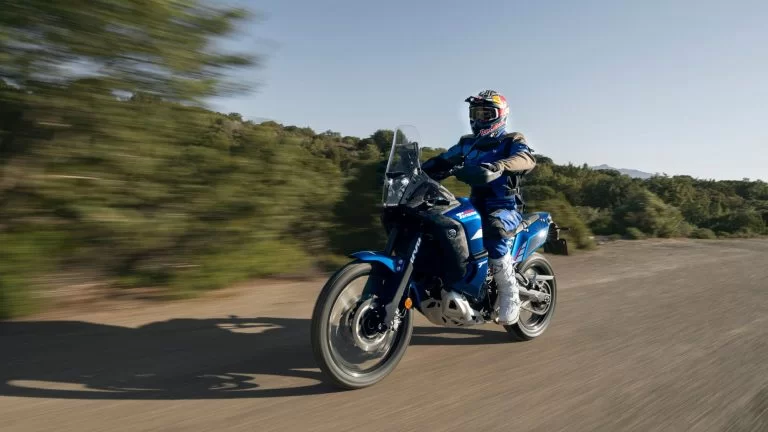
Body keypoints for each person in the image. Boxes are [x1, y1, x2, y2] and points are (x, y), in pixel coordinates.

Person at [421, 90, 536, 325]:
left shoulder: (511, 141)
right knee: (441, 223)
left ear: (500, 116)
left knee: (493, 227)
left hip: (505, 207)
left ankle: (508, 292)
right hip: (474, 203)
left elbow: (527, 159)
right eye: (476, 113)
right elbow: (442, 160)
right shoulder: (467, 145)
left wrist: (499, 166)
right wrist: (414, 171)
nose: (479, 119)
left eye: (486, 114)